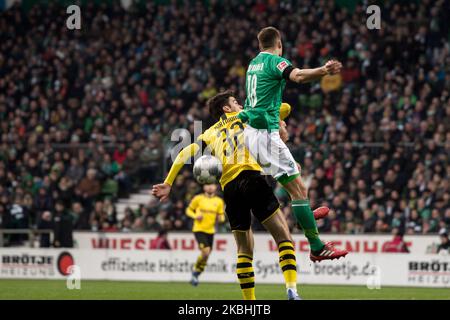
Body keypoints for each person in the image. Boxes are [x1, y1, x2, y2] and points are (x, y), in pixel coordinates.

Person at [152, 91, 328, 300]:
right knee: (284, 238)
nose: (240, 103)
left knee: (244, 250)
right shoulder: (247, 115)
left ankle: (250, 303)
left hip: (230, 189)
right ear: (226, 108)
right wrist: (274, 116)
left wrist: (168, 183)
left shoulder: (208, 133)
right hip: (251, 179)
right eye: (235, 102)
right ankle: (291, 290)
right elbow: (286, 108)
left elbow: (182, 154)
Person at [237, 26, 347, 262]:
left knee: (296, 178)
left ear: (259, 45)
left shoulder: (252, 64)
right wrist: (323, 70)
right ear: (279, 44)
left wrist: (278, 123)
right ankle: (316, 245)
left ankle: (304, 215)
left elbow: (262, 99)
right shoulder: (274, 62)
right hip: (264, 134)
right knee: (298, 189)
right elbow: (297, 76)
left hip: (254, 133)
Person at [185, 183, 225, 286]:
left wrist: (220, 219)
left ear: (216, 187)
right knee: (206, 251)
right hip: (199, 229)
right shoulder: (198, 198)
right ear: (204, 187)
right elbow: (188, 210)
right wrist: (195, 216)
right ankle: (195, 271)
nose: (210, 187)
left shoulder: (219, 201)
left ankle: (197, 274)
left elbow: (221, 216)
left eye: (212, 185)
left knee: (206, 255)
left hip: (210, 231)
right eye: (207, 185)